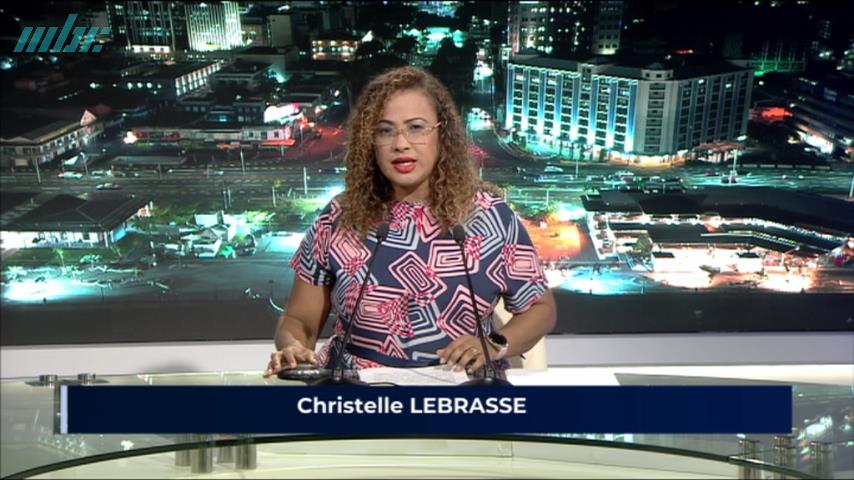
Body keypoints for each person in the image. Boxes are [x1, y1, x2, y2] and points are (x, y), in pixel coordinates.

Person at [265, 66, 556, 379]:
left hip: (463, 389)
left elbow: (540, 309)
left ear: (442, 134)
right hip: (356, 390)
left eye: (416, 128)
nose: (401, 143)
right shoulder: (338, 218)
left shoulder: (491, 217)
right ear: (369, 142)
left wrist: (493, 343)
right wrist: (292, 346)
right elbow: (300, 321)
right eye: (385, 131)